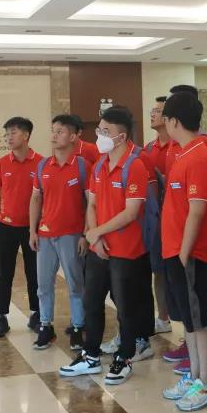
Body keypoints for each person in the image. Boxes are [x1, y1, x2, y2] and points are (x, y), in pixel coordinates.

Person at [59, 106, 153, 385]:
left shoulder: (135, 166)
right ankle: (90, 356)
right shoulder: (100, 166)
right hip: (99, 249)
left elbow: (131, 212)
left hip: (126, 250)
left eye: (105, 131)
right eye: (99, 130)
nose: (99, 136)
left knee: (125, 307)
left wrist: (96, 232)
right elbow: (92, 204)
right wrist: (96, 238)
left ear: (121, 137)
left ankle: (124, 358)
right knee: (92, 302)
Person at [159, 92, 207, 412]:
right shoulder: (185, 153)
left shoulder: (198, 156)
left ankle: (206, 384)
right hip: (176, 250)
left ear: (174, 121)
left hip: (191, 254)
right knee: (189, 321)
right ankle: (195, 376)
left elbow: (197, 210)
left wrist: (184, 253)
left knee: (200, 318)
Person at [29, 115, 90, 351]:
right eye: (53, 131)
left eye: (60, 132)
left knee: (75, 284)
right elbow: (36, 199)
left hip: (72, 235)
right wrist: (33, 231)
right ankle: (46, 326)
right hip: (45, 235)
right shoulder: (43, 166)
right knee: (43, 285)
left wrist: (85, 233)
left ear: (73, 137)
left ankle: (77, 327)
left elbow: (91, 203)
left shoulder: (82, 167)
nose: (54, 136)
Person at [0, 117, 43, 338]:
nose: (9, 137)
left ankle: (36, 314)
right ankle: (1, 317)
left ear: (26, 135)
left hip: (32, 229)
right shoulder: (1, 163)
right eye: (7, 134)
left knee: (34, 273)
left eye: (13, 133)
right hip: (6, 227)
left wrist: (37, 226)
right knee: (4, 274)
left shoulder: (41, 163)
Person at [145, 95, 173, 334]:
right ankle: (163, 317)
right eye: (152, 111)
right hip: (155, 221)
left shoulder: (179, 146)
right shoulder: (148, 149)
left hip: (176, 220)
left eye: (158, 111)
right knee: (158, 271)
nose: (153, 114)